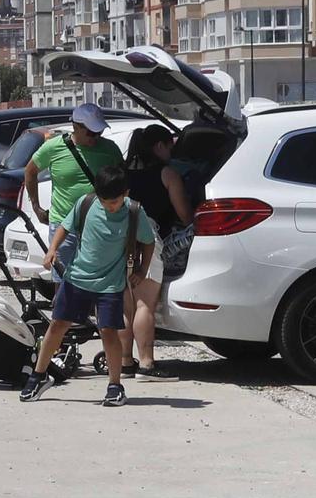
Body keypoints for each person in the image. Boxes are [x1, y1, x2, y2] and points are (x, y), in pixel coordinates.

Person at [22, 164, 155, 407]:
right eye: (104, 201)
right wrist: (52, 250)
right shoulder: (86, 202)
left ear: (125, 193)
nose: (109, 206)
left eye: (114, 202)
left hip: (110, 285)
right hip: (76, 278)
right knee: (57, 325)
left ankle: (115, 386)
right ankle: (39, 375)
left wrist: (142, 270)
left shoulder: (135, 212)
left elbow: (148, 242)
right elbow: (64, 227)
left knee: (108, 332)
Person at [123, 124, 197, 377]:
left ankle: (125, 362)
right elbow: (185, 215)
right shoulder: (167, 174)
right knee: (145, 303)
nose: (172, 152)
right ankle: (146, 364)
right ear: (159, 146)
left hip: (117, 238)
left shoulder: (121, 174)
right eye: (170, 146)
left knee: (126, 304)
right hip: (147, 237)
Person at [23, 103, 122, 242]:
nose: (95, 137)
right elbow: (30, 171)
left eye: (99, 132)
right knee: (62, 264)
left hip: (100, 224)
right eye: (91, 133)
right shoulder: (53, 147)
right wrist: (36, 206)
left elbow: (123, 181)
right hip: (63, 225)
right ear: (76, 127)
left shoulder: (110, 149)